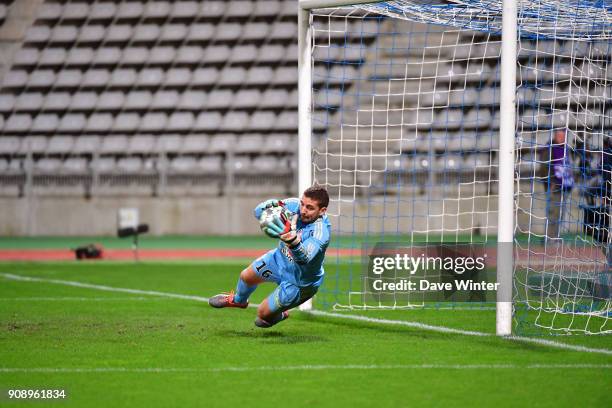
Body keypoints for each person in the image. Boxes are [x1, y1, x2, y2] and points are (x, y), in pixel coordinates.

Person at [209, 185, 331, 328]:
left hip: (299, 282)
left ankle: (279, 313)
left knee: (262, 316)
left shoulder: (320, 233)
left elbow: (304, 259)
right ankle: (239, 301)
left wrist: (293, 242)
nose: (303, 210)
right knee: (246, 276)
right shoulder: (293, 205)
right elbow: (258, 213)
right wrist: (268, 205)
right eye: (302, 203)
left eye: (310, 208)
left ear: (322, 210)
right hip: (279, 259)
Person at [540, 129, 574, 241]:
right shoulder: (549, 148)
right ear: (555, 135)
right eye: (560, 135)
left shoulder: (566, 149)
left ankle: (555, 237)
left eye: (563, 136)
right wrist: (550, 182)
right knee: (553, 214)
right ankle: (550, 239)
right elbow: (544, 167)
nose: (562, 138)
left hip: (564, 186)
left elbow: (568, 165)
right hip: (554, 186)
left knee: (560, 214)